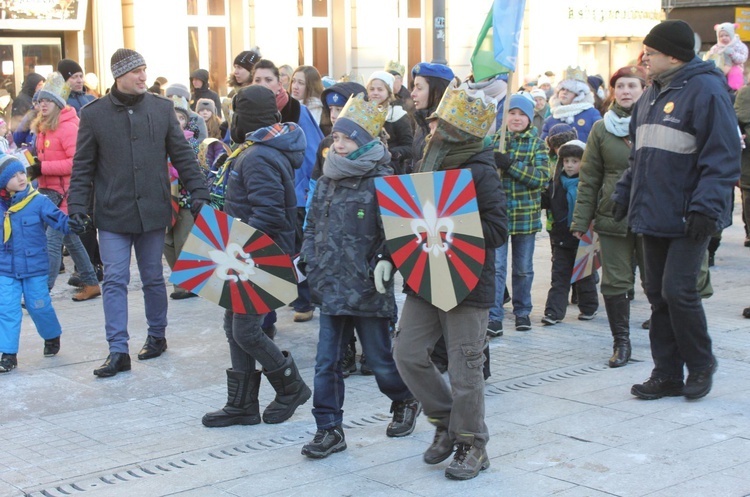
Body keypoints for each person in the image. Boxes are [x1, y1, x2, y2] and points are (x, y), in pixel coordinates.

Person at [611, 20, 740, 400]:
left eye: (650, 52)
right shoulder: (651, 93)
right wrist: (623, 192)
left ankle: (701, 364)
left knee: (678, 290)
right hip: (652, 211)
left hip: (689, 214)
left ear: (672, 55)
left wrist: (706, 207)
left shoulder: (706, 90)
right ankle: (667, 373)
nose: (644, 58)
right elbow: (640, 155)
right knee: (656, 294)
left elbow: (723, 156)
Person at [67, 48, 210, 378]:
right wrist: (76, 206)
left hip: (152, 210)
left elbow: (183, 157)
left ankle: (157, 335)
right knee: (115, 279)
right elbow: (83, 167)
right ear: (120, 75)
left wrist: (199, 193)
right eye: (137, 72)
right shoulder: (94, 114)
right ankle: (118, 350)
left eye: (145, 70)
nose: (144, 76)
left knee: (152, 278)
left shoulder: (161, 110)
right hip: (113, 212)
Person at [393, 85, 507, 480]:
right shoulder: (425, 162)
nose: (432, 128)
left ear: (459, 129)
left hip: (467, 279)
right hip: (425, 274)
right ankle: (445, 421)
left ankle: (472, 443)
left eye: (440, 122)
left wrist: (452, 226)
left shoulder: (480, 168)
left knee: (465, 367)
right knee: (407, 353)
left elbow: (497, 229)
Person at [300, 93, 420, 459]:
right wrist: (308, 259)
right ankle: (328, 428)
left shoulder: (383, 180)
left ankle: (404, 399)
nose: (337, 145)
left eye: (346, 138)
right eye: (335, 138)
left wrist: (386, 259)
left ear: (365, 141)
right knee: (327, 361)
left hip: (368, 286)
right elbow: (312, 224)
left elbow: (397, 232)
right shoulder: (326, 179)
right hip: (330, 285)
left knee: (381, 359)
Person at [201, 85, 311, 428]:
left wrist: (241, 245)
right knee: (233, 324)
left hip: (257, 256)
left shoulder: (260, 155)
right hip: (245, 253)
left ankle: (290, 386)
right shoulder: (254, 150)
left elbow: (272, 212)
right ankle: (242, 404)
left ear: (242, 118)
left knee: (247, 330)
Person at [570, 65, 647, 368]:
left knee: (656, 282)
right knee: (616, 282)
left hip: (651, 214)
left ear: (645, 89)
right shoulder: (602, 128)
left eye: (632, 86)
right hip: (613, 214)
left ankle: (667, 337)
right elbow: (589, 177)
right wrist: (580, 220)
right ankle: (622, 343)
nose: (626, 92)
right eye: (621, 86)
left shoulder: (658, 121)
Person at [251, 59, 323, 324]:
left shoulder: (296, 110)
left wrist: (305, 190)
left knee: (295, 249)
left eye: (268, 80)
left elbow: (314, 153)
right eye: (257, 80)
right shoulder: (252, 109)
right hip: (267, 193)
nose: (262, 85)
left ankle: (305, 298)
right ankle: (285, 298)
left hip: (296, 192)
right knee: (271, 250)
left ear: (278, 84)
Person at [29, 72, 101, 301]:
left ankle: (42, 292)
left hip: (66, 194)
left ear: (58, 103)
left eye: (47, 100)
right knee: (71, 239)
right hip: (49, 193)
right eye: (40, 100)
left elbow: (76, 162)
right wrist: (32, 165)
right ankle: (90, 282)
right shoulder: (43, 126)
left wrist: (43, 167)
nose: (42, 104)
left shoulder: (68, 127)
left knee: (51, 243)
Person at [0, 156, 71, 373]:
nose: (20, 178)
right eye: (13, 176)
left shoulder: (37, 200)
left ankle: (51, 335)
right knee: (8, 309)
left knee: (38, 305)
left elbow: (59, 220)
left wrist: (75, 222)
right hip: (5, 268)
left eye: (21, 172)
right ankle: (8, 354)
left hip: (34, 266)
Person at [489, 94, 550, 333]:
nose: (516, 118)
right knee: (496, 268)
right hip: (499, 217)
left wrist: (511, 165)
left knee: (523, 268)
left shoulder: (537, 144)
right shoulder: (494, 142)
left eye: (521, 114)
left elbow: (541, 178)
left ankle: (522, 311)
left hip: (526, 217)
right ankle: (494, 315)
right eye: (511, 113)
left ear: (529, 118)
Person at [540, 139, 598, 325]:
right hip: (561, 236)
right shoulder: (555, 184)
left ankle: (588, 307)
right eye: (566, 161)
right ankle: (553, 312)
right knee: (559, 276)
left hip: (584, 236)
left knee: (584, 275)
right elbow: (545, 202)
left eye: (575, 161)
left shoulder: (589, 185)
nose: (570, 165)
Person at [164, 95, 202, 300]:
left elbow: (191, 168)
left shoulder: (192, 142)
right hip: (166, 199)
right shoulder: (160, 141)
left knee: (183, 241)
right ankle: (182, 280)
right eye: (173, 117)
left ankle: (186, 285)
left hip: (185, 200)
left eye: (181, 117)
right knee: (167, 242)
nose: (177, 121)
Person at [409, 62, 454, 174]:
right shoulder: (421, 121)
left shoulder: (452, 125)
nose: (412, 94)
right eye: (413, 87)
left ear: (438, 91)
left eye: (419, 88)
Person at [366, 71, 413, 174]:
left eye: (380, 89)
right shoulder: (362, 114)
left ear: (389, 92)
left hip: (391, 169)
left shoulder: (398, 115)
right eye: (372, 89)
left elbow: (409, 147)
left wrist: (391, 153)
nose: (375, 93)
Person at [541, 66, 602, 143]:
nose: (564, 92)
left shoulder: (591, 114)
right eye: (562, 89)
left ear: (579, 94)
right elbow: (543, 147)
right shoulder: (551, 118)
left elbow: (601, 139)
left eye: (570, 90)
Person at [704, 22, 748, 91]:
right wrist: (710, 56)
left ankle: (735, 90)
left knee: (735, 73)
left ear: (732, 35)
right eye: (721, 36)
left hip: (734, 67)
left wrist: (732, 54)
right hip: (720, 67)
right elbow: (711, 57)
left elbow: (742, 59)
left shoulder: (739, 46)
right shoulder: (716, 47)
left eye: (727, 35)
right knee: (714, 75)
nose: (724, 38)